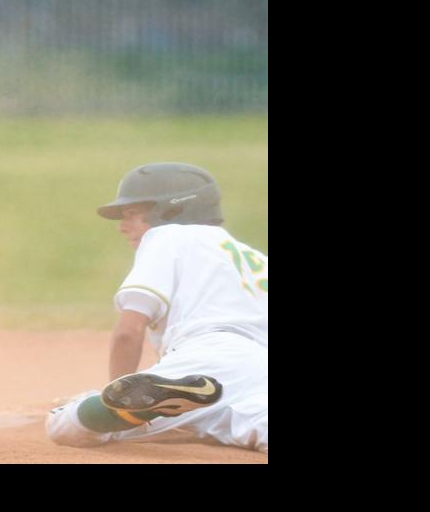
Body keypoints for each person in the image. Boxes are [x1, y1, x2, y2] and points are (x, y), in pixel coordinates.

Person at [45, 163, 270, 453]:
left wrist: (118, 392)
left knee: (63, 424)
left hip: (203, 357)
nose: (122, 226)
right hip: (259, 369)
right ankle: (170, 402)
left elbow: (129, 330)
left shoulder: (167, 236)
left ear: (172, 210)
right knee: (251, 422)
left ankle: (134, 406)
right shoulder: (255, 259)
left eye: (132, 213)